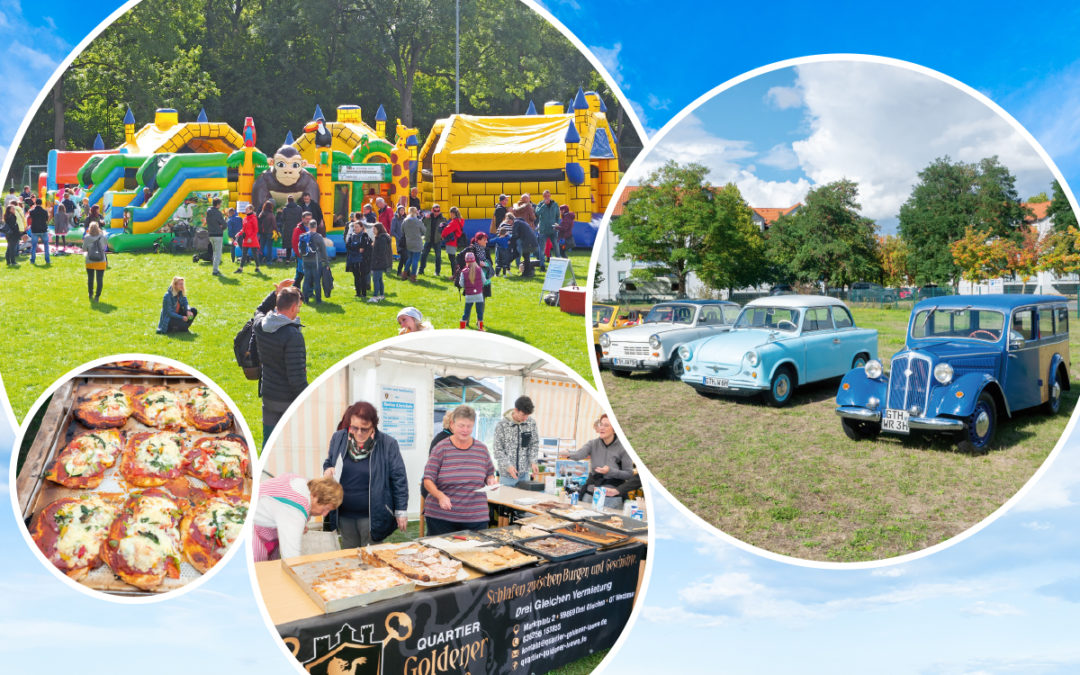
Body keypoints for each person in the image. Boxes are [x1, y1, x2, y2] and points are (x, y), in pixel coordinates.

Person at [322, 401, 409, 548]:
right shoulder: (338, 438)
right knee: (349, 552)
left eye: (365, 429)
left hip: (372, 514)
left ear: (373, 426)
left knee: (371, 556)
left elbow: (399, 479)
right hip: (344, 512)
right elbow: (329, 461)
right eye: (354, 428)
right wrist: (328, 469)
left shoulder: (388, 444)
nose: (359, 433)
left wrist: (401, 511)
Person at [422, 405, 497, 534]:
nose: (465, 430)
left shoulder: (482, 449)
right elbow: (427, 480)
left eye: (469, 426)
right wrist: (440, 496)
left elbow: (489, 474)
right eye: (461, 425)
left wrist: (491, 481)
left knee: (475, 553)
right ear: (452, 424)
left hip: (475, 517)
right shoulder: (441, 448)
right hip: (442, 517)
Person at [254, 281, 307, 442]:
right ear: (292, 308)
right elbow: (296, 378)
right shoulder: (293, 335)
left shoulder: (261, 326)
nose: (298, 311)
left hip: (269, 394)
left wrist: (275, 294)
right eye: (298, 307)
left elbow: (259, 311)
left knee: (268, 441)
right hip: (287, 400)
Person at [253, 474, 343, 562]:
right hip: (253, 532)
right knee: (258, 570)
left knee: (270, 568)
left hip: (267, 529)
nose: (324, 514)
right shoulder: (294, 511)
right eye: (325, 509)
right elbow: (291, 557)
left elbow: (281, 512)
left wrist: (298, 526)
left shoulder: (303, 484)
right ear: (315, 497)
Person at [568, 414, 634, 509]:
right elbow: (579, 454)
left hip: (612, 497)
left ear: (615, 430)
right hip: (591, 493)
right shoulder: (593, 443)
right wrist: (568, 453)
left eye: (606, 425)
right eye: (601, 424)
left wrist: (610, 471)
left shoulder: (623, 447)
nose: (601, 428)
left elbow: (629, 474)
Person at [492, 396, 540, 487]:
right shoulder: (502, 425)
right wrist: (508, 465)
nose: (525, 418)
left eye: (527, 415)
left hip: (524, 475)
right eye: (523, 415)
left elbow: (534, 444)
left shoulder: (531, 423)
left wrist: (533, 461)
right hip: (507, 476)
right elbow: (497, 450)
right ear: (516, 410)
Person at [299, 219, 328, 304]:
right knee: (316, 281)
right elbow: (323, 250)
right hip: (315, 261)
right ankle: (318, 300)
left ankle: (305, 299)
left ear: (308, 226)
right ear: (316, 227)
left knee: (306, 280)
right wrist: (326, 262)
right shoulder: (318, 236)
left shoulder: (303, 236)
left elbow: (300, 249)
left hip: (306, 260)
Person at [459, 252, 488, 330]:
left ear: (466, 261)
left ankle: (462, 328)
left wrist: (467, 287)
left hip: (469, 294)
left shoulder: (464, 271)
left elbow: (461, 284)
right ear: (474, 259)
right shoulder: (479, 269)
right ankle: (480, 328)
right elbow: (484, 281)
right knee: (479, 312)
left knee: (466, 312)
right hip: (478, 294)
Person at [82, 221, 108, 302]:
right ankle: (97, 296)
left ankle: (90, 293)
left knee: (90, 278)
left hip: (90, 260)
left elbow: (84, 249)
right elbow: (104, 246)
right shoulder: (102, 237)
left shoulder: (87, 237)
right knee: (99, 279)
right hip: (101, 260)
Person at [344, 220, 371, 299]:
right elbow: (348, 246)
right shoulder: (352, 235)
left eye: (357, 227)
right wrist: (356, 246)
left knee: (363, 276)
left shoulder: (364, 235)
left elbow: (363, 247)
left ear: (361, 227)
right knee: (356, 276)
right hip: (353, 259)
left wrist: (354, 246)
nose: (355, 228)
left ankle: (364, 293)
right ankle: (358, 293)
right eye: (354, 227)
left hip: (362, 259)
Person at [419, 203, 446, 276]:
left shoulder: (442, 219)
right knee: (424, 255)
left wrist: (442, 236)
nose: (437, 212)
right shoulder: (428, 218)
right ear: (432, 210)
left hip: (437, 240)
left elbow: (445, 229)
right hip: (428, 239)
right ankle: (421, 270)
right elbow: (421, 223)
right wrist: (424, 217)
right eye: (435, 210)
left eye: (438, 210)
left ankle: (437, 272)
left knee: (438, 256)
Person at [534, 190, 559, 267]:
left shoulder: (555, 204)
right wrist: (544, 205)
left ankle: (560, 263)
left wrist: (557, 224)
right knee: (542, 249)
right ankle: (542, 265)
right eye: (545, 196)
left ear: (550, 195)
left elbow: (557, 215)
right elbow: (537, 213)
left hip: (553, 229)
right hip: (543, 230)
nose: (547, 197)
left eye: (548, 195)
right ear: (543, 196)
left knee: (556, 247)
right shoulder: (540, 204)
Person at [401, 206, 425, 281]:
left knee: (410, 259)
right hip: (417, 242)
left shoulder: (405, 221)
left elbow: (402, 230)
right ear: (416, 212)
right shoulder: (418, 221)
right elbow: (424, 230)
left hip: (409, 242)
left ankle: (404, 274)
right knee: (415, 260)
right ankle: (413, 276)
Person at [204, 197, 226, 275]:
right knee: (217, 253)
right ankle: (215, 271)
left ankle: (215, 268)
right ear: (218, 204)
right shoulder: (218, 213)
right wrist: (222, 227)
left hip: (211, 235)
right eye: (220, 204)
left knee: (214, 252)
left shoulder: (208, 212)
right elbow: (224, 224)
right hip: (218, 235)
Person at [370, 222, 392, 302]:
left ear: (379, 229)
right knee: (379, 279)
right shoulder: (380, 237)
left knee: (376, 279)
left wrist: (375, 261)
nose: (373, 230)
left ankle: (375, 296)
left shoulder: (381, 238)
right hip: (381, 262)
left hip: (379, 262)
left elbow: (381, 252)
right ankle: (381, 295)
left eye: (374, 229)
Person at [237, 203, 261, 273]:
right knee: (244, 254)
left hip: (252, 239)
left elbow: (256, 230)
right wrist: (239, 233)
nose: (245, 210)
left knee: (255, 254)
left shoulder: (254, 218)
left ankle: (257, 267)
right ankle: (240, 268)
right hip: (246, 238)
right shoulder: (244, 218)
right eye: (245, 209)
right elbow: (243, 229)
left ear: (251, 210)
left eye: (247, 209)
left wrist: (251, 238)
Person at [442, 206, 465, 277]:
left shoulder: (454, 222)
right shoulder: (459, 221)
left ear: (452, 213)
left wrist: (442, 235)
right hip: (455, 241)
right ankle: (456, 273)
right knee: (452, 258)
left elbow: (447, 230)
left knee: (452, 259)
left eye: (450, 213)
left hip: (451, 242)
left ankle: (455, 274)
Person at [26, 198, 50, 264]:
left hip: (35, 230)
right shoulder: (45, 211)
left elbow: (30, 217)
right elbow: (47, 220)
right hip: (43, 229)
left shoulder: (31, 211)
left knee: (33, 246)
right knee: (46, 246)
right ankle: (47, 260)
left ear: (35, 203)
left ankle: (32, 260)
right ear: (41, 203)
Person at [279, 196, 302, 263]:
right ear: (294, 200)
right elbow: (301, 218)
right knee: (297, 244)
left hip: (287, 229)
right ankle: (297, 258)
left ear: (288, 201)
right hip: (297, 228)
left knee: (288, 245)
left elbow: (283, 219)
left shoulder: (285, 209)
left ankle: (287, 259)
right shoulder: (299, 208)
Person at [390, 203, 408, 277]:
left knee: (404, 257)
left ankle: (401, 271)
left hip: (405, 240)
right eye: (401, 210)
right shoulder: (395, 219)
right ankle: (406, 272)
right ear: (398, 211)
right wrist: (399, 238)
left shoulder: (404, 219)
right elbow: (392, 231)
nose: (402, 211)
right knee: (404, 256)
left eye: (403, 210)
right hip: (400, 241)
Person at [258, 199, 277, 264]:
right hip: (269, 233)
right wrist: (277, 232)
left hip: (262, 232)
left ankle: (259, 259)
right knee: (269, 247)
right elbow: (274, 225)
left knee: (261, 246)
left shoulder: (261, 213)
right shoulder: (271, 215)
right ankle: (269, 261)